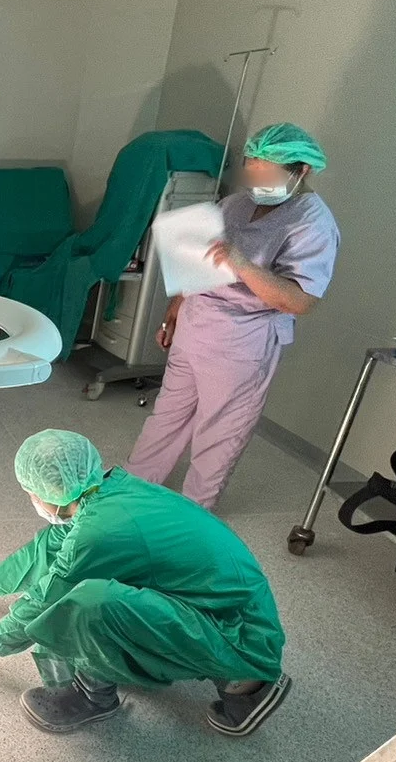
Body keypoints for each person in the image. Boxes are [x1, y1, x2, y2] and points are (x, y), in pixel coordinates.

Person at [0, 429, 290, 737]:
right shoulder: (109, 490)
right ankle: (222, 668)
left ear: (48, 491)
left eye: (30, 491)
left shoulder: (96, 532)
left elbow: (46, 600)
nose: (32, 498)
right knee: (74, 567)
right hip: (222, 603)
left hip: (240, 633)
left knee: (88, 602)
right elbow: (41, 552)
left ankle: (241, 684)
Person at [126, 123, 339, 510]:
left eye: (267, 176)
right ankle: (134, 487)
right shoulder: (235, 205)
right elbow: (201, 264)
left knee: (219, 430)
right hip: (196, 323)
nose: (256, 184)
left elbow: (300, 301)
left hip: (242, 341)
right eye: (251, 172)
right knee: (168, 413)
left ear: (302, 171)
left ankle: (195, 512)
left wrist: (242, 263)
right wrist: (175, 310)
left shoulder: (312, 224)